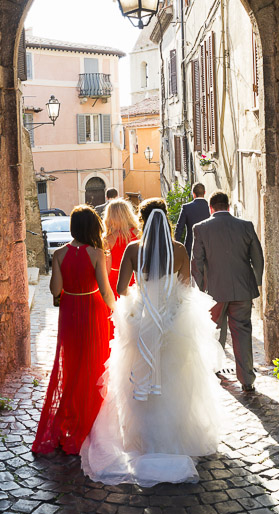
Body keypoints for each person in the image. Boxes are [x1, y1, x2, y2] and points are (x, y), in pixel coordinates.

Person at [80, 198, 226, 486]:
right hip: (173, 323)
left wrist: (142, 295)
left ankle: (144, 441)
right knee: (178, 380)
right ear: (166, 220)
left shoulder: (135, 250)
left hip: (143, 324)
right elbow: (186, 286)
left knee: (138, 379)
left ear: (143, 220)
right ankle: (176, 439)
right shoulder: (180, 250)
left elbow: (121, 288)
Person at [32, 205, 116, 454]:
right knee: (93, 363)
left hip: (70, 313)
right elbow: (104, 289)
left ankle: (70, 414)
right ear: (92, 228)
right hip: (93, 311)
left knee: (71, 364)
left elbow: (55, 290)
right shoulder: (96, 253)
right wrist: (117, 310)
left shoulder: (58, 254)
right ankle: (90, 417)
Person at [191, 191, 264, 393]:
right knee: (242, 333)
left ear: (210, 208)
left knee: (215, 332)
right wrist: (255, 282)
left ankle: (214, 370)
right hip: (243, 289)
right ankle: (247, 379)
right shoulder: (245, 226)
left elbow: (197, 263)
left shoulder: (201, 228)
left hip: (213, 292)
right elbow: (258, 257)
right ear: (228, 207)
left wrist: (200, 290)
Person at [103, 199, 140, 299]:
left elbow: (106, 269)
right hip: (136, 278)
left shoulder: (109, 239)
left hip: (116, 281)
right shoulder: (139, 234)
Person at [174, 183, 210, 257]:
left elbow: (179, 228)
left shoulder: (186, 208)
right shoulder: (210, 207)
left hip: (191, 246)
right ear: (204, 192)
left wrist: (175, 246)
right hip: (208, 247)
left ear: (193, 194)